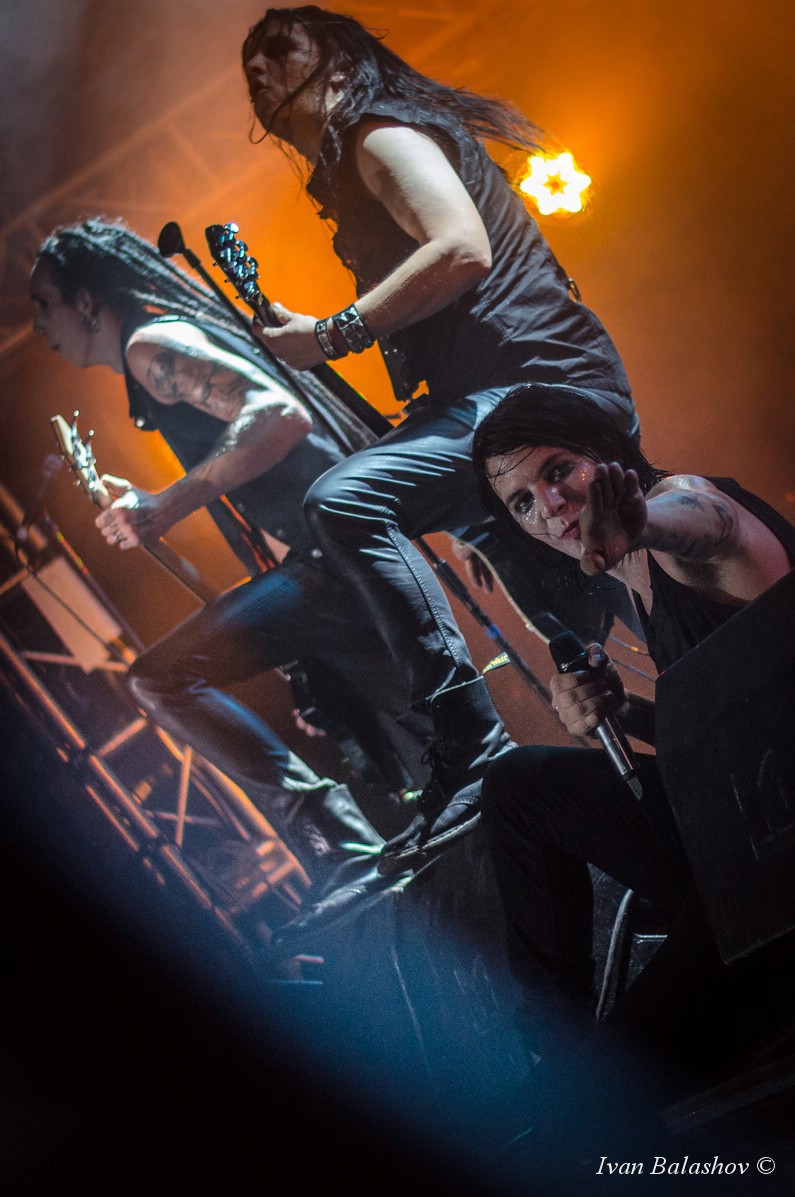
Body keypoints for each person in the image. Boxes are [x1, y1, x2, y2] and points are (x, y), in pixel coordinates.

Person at [240, 5, 639, 876]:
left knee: (344, 499)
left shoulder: (378, 135)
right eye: (248, 68)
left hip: (539, 392)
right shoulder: (364, 152)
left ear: (337, 61)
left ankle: (466, 735)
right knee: (584, 643)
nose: (258, 72)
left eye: (277, 50)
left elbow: (461, 249)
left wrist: (332, 334)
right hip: (501, 405)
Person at [30, 218, 431, 948]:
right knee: (422, 752)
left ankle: (336, 840)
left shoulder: (149, 346)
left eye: (44, 304)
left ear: (85, 303)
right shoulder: (155, 350)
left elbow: (279, 414)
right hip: (338, 554)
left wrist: (164, 505)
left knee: (159, 679)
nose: (37, 325)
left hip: (335, 557)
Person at [471, 383, 795, 1084]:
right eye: (521, 503)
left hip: (777, 871)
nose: (549, 505)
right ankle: (547, 1044)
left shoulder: (683, 509)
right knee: (520, 784)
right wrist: (623, 713)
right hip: (732, 838)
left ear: (606, 450)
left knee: (607, 1088)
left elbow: (712, 524)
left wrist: (642, 522)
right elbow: (736, 724)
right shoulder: (632, 570)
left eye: (559, 470)